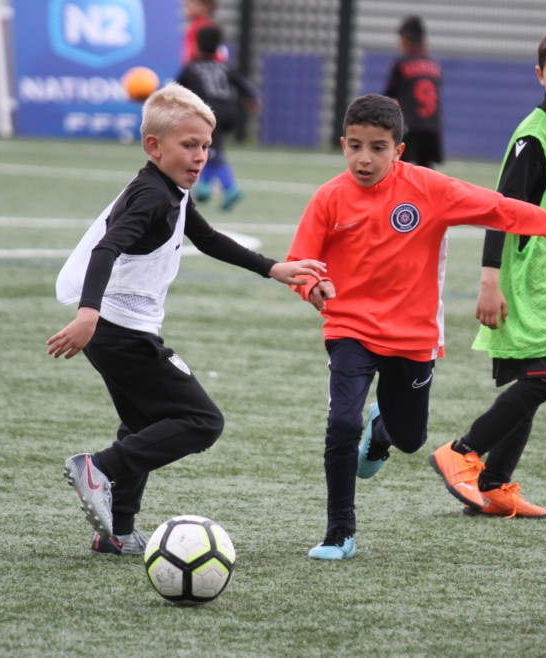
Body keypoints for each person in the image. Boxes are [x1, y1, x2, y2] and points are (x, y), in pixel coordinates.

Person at [286, 93, 546, 560]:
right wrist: (310, 286)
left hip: (412, 338)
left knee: (410, 438)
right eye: (354, 146)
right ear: (343, 145)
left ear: (400, 150)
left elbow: (500, 208)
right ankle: (340, 532)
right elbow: (300, 262)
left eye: (377, 147)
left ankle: (383, 431)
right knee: (340, 422)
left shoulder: (428, 189)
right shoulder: (329, 197)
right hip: (348, 328)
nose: (364, 158)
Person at [47, 83, 324, 557]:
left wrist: (273, 268)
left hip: (117, 331)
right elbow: (107, 247)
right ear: (154, 147)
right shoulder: (151, 196)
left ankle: (117, 531)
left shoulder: (170, 191)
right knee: (201, 421)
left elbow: (209, 238)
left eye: (206, 147)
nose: (200, 157)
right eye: (189, 146)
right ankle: (98, 470)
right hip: (116, 330)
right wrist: (89, 313)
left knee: (141, 424)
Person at [428, 24, 546, 519]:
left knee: (532, 376)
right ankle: (462, 451)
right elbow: (500, 210)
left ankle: (493, 488)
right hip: (526, 273)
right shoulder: (534, 136)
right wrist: (489, 282)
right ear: (540, 75)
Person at [176, 24, 260, 211]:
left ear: (196, 45)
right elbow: (242, 83)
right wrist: (252, 99)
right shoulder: (224, 67)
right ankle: (205, 186)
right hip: (229, 112)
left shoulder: (192, 68)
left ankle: (230, 187)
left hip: (208, 111)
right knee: (209, 147)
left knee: (210, 149)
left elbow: (176, 88)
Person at [383, 15, 444, 169]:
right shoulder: (434, 65)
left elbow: (389, 97)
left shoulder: (401, 63)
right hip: (432, 125)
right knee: (427, 172)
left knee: (401, 167)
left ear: (404, 39)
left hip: (410, 124)